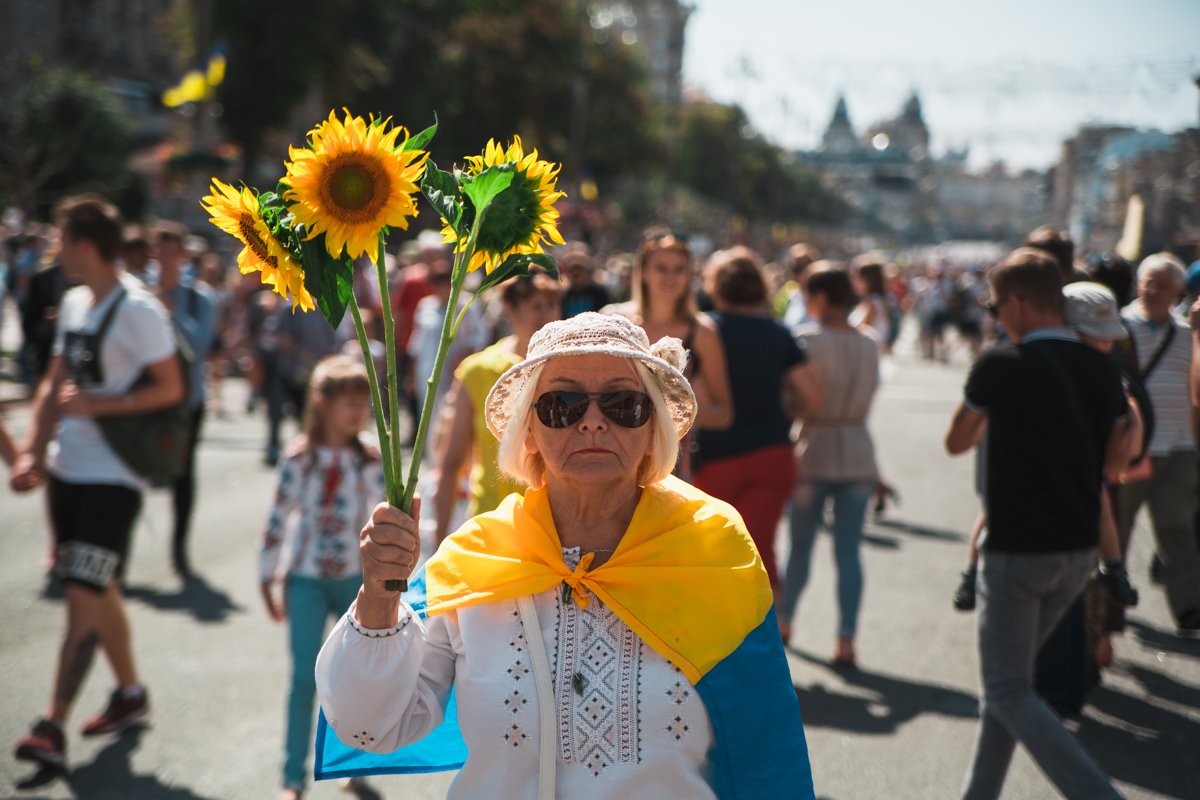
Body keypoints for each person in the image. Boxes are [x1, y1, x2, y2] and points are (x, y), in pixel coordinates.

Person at [313, 312, 815, 798]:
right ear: (528, 430)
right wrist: (379, 595)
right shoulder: (479, 556)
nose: (593, 422)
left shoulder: (712, 549)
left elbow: (768, 755)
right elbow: (370, 728)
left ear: (652, 429)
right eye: (562, 405)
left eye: (623, 403)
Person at [944, 248, 1130, 799]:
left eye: (996, 303)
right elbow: (1117, 465)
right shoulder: (1102, 368)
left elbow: (956, 441)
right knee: (1007, 689)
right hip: (1077, 552)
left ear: (1019, 303)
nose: (994, 313)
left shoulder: (1000, 362)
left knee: (1006, 690)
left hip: (1016, 551)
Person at [10, 195, 184, 770]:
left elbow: (171, 388)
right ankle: (130, 693)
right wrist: (32, 451)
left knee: (83, 594)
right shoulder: (76, 301)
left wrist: (100, 403)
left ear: (85, 245)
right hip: (67, 470)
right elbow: (52, 385)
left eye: (62, 240)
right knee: (98, 585)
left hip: (115, 475)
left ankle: (52, 724)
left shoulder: (138, 310)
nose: (56, 250)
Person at [259, 355, 385, 800]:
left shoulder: (370, 457)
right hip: (306, 578)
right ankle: (293, 777)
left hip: (355, 581)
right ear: (322, 403)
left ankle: (350, 764)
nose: (358, 412)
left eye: (363, 402)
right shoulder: (299, 457)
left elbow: (385, 514)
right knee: (303, 678)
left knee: (351, 678)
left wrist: (389, 581)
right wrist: (267, 574)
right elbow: (279, 517)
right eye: (348, 402)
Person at [693, 247, 822, 593]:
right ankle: (770, 632)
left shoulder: (705, 330)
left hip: (718, 455)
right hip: (772, 452)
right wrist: (782, 409)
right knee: (760, 551)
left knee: (712, 552)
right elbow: (812, 397)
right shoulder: (779, 334)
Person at [779, 267, 881, 666]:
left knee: (800, 547)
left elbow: (791, 398)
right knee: (849, 551)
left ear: (820, 297)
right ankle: (846, 638)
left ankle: (785, 620)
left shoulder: (806, 340)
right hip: (857, 445)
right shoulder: (870, 343)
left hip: (813, 445)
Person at [432, 274, 562, 546]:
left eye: (551, 305)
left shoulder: (568, 367)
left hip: (556, 525)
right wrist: (439, 542)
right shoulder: (477, 370)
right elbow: (451, 463)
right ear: (510, 310)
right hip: (491, 522)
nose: (546, 314)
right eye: (535, 306)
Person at [1116, 252, 1200, 636]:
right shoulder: (1118, 328)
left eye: (1162, 285)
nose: (1152, 289)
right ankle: (1109, 605)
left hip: (1178, 447)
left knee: (1177, 528)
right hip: (1131, 449)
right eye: (1147, 281)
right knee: (1116, 529)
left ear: (1179, 292)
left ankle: (1189, 608)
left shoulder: (1187, 334)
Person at [606, 231, 733, 480]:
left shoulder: (704, 332)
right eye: (661, 268)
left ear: (689, 275)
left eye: (679, 269)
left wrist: (686, 404)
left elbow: (725, 413)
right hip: (614, 452)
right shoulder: (615, 320)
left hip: (674, 467)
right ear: (642, 271)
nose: (670, 277)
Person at [153, 223, 218, 578]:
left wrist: (169, 310)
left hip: (186, 402)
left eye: (171, 252)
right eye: (159, 252)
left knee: (182, 475)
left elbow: (197, 348)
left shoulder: (199, 298)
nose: (165, 260)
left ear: (182, 256)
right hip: (146, 400)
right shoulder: (139, 293)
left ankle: (179, 547)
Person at [558, 243, 610, 318]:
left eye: (579, 269)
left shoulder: (599, 293)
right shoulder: (562, 294)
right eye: (572, 270)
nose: (575, 273)